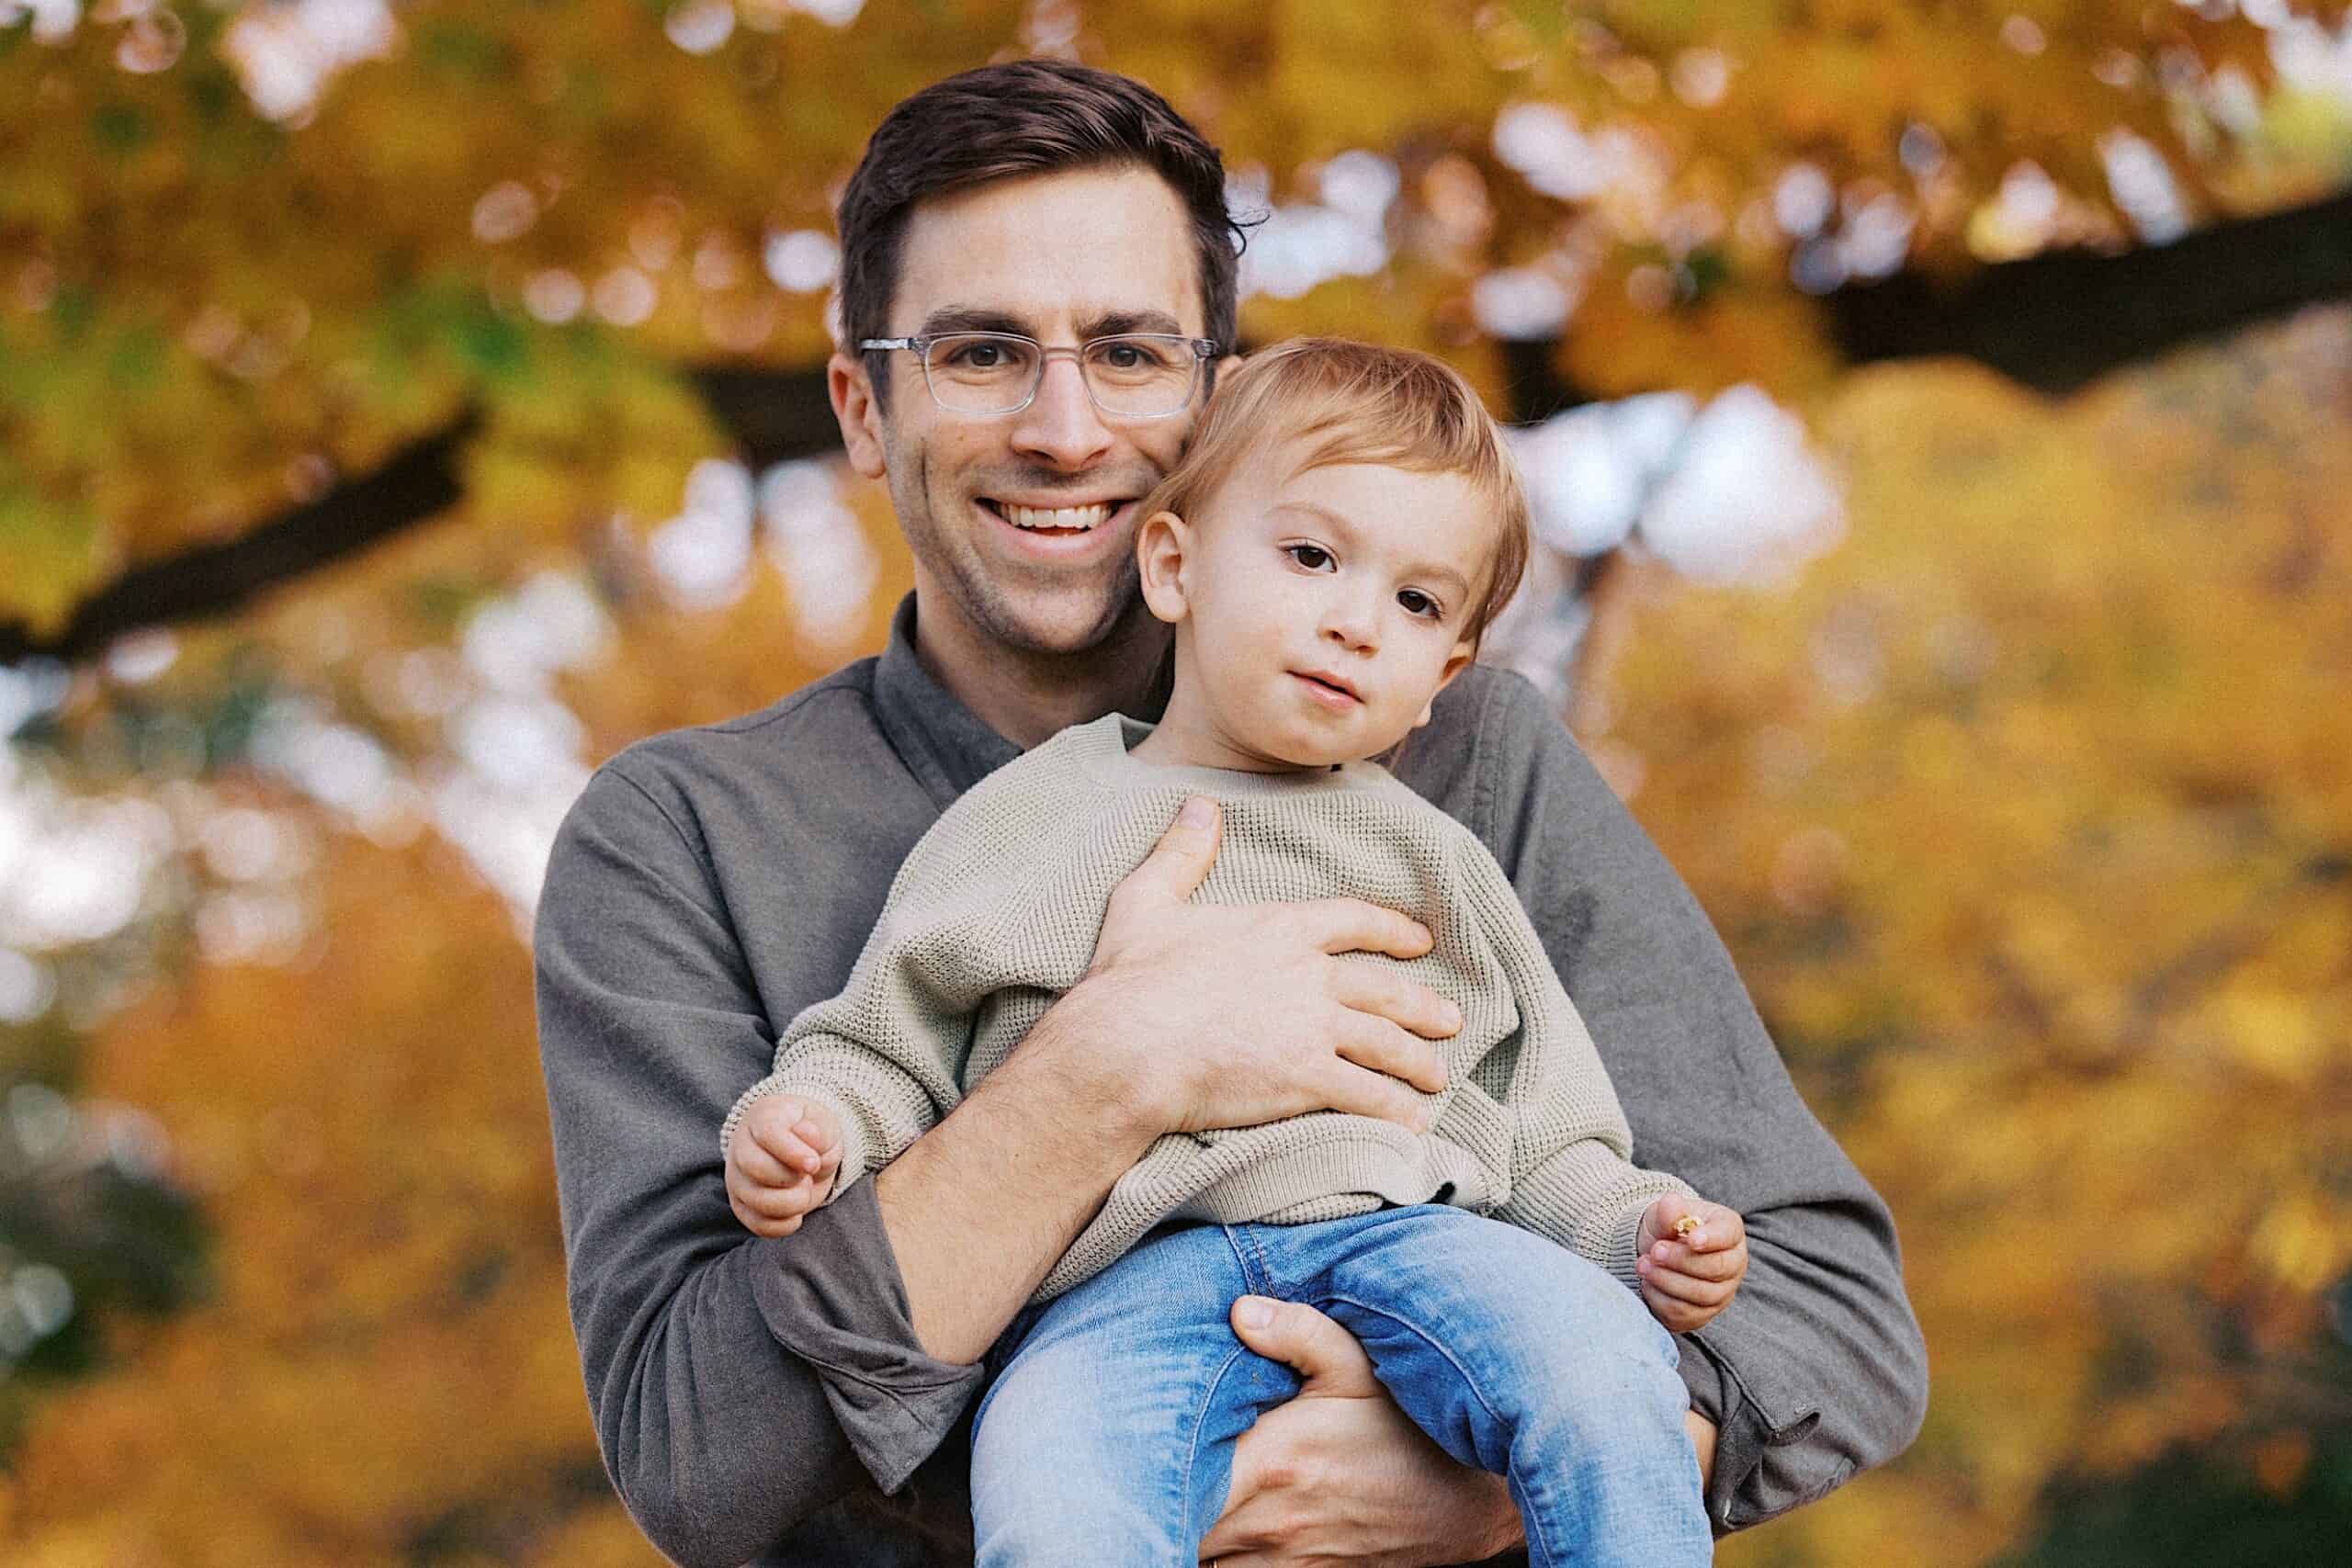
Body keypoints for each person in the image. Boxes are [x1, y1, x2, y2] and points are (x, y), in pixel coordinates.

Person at [533, 58, 1928, 1568]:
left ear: (1213, 401)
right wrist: (1111, 1067)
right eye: (984, 352)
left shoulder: (1461, 762)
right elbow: (698, 1453)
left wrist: (1478, 1488)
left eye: (1130, 354)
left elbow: (1826, 1311)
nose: (1064, 430)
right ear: (866, 410)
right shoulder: (684, 834)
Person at [719, 336, 1742, 1565]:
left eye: (1417, 603)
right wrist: (814, 1123)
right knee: (1050, 1491)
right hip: (1120, 1287)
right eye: (1311, 555)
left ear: (1442, 677)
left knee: (1601, 1362)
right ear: (1175, 563)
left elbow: (1540, 1123)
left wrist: (1636, 1232)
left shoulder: (1435, 859)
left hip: (1412, 1233)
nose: (1357, 623)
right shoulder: (1031, 820)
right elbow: (896, 1037)